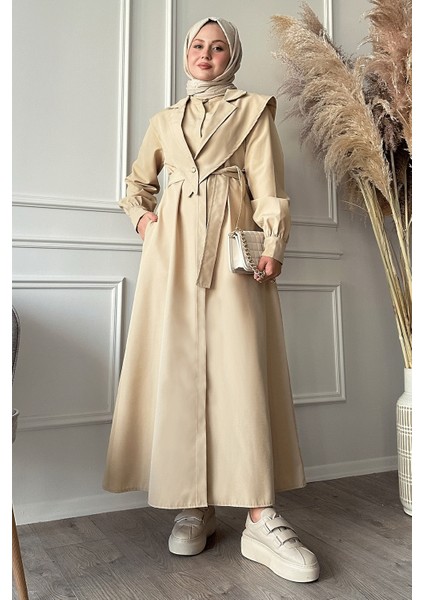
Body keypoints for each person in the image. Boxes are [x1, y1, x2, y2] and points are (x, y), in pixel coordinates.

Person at [103, 17, 319, 583]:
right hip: (171, 256)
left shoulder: (254, 110)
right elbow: (136, 185)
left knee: (240, 369)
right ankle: (193, 503)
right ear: (185, 54)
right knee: (177, 371)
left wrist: (274, 243)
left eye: (218, 47)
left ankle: (260, 515)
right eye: (198, 46)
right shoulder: (164, 120)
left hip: (232, 248)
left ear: (233, 56)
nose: (206, 54)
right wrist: (145, 221)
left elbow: (268, 187)